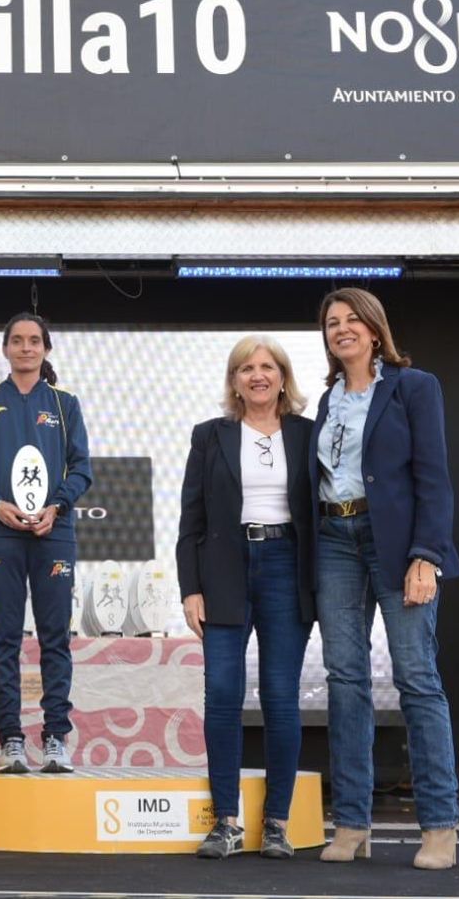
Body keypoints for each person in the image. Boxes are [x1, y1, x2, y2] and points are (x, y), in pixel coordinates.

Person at [310, 288, 459, 870]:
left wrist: (427, 554)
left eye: (352, 320)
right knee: (345, 681)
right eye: (332, 323)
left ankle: (440, 828)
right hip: (335, 542)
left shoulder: (413, 386)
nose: (342, 329)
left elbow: (435, 477)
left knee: (417, 678)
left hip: (397, 545)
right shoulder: (325, 401)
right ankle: (352, 823)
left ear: (375, 329)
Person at [177, 336, 315, 859]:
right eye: (246, 368)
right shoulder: (210, 436)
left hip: (285, 568)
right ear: (234, 380)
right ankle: (226, 822)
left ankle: (276, 822)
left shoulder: (309, 433)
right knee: (223, 697)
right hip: (224, 572)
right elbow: (191, 518)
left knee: (281, 698)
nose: (257, 375)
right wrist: (191, 587)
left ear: (282, 376)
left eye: (267, 366)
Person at [0, 312, 92, 774]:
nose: (26, 348)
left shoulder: (64, 404)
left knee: (55, 638)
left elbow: (82, 468)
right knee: (6, 638)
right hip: (1, 534)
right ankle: (11, 739)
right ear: (6, 348)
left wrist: (56, 506)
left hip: (54, 533)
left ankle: (56, 737)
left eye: (35, 341)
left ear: (46, 349)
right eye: (17, 340)